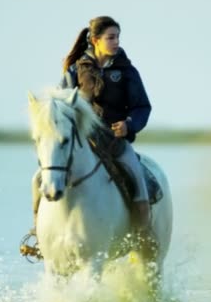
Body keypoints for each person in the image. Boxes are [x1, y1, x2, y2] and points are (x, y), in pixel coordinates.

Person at [22, 16, 155, 259]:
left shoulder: (126, 72)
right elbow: (62, 103)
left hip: (115, 142)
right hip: (84, 140)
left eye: (117, 37)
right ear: (95, 40)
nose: (116, 42)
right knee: (37, 179)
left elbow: (142, 108)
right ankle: (39, 236)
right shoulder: (75, 71)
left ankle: (142, 235)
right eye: (110, 37)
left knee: (136, 175)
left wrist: (129, 125)